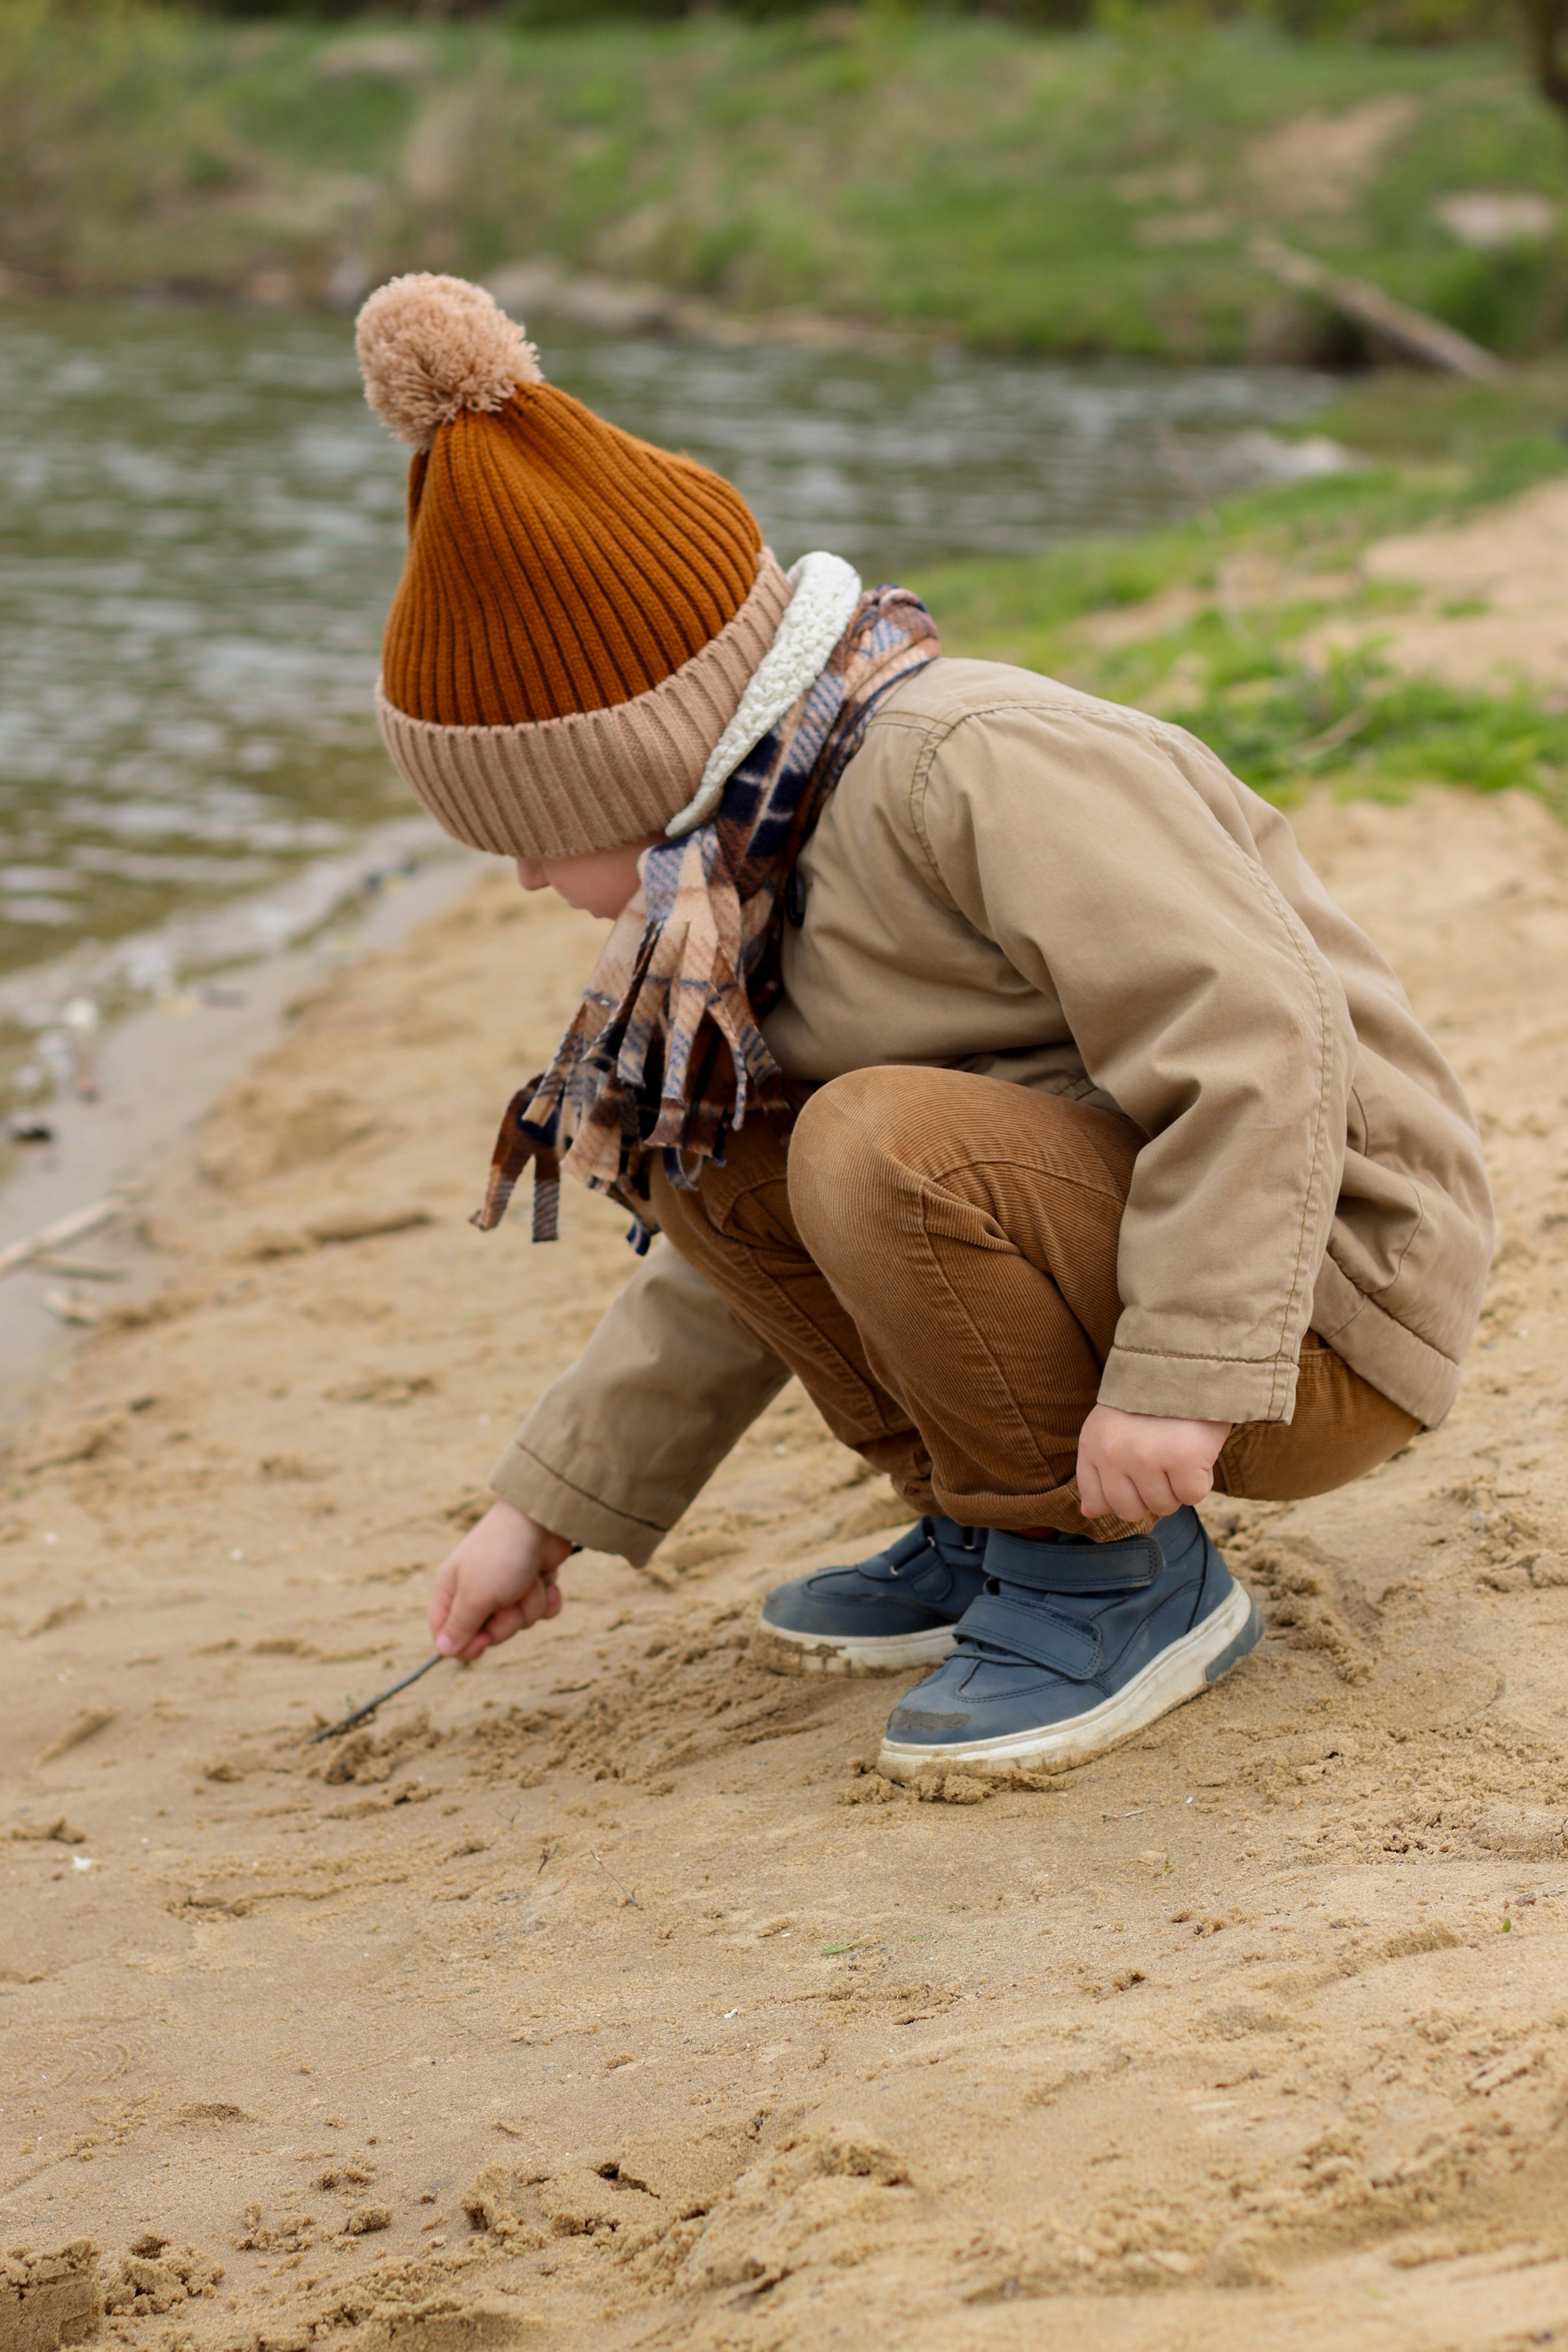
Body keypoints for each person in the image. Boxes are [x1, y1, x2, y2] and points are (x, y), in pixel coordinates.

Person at [353, 272, 1491, 1784]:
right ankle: (994, 1521)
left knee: (874, 1140)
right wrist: (547, 1508)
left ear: (638, 767)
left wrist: (1179, 1378)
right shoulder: (737, 874)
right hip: (1141, 1269)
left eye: (533, 832)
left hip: (1312, 1305)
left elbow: (1264, 1050)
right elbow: (733, 1267)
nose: (517, 878)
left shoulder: (977, 764)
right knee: (698, 1138)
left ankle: (1115, 1580)